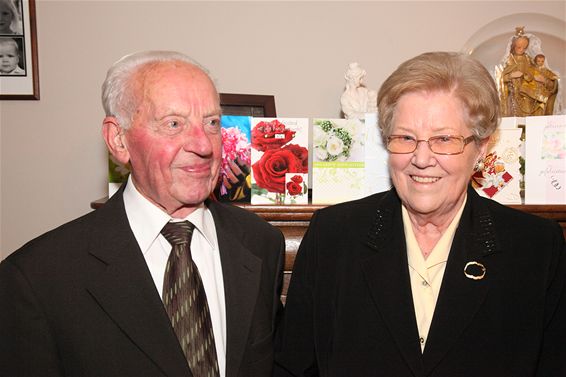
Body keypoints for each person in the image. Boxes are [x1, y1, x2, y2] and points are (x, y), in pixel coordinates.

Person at [274, 52, 566, 376]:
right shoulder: (333, 237)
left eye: (444, 139)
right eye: (406, 138)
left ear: (481, 147)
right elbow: (294, 368)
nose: (422, 158)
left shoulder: (536, 249)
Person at [0, 50, 285, 377]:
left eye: (212, 123)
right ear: (118, 139)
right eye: (174, 123)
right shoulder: (37, 278)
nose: (203, 145)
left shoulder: (260, 243)